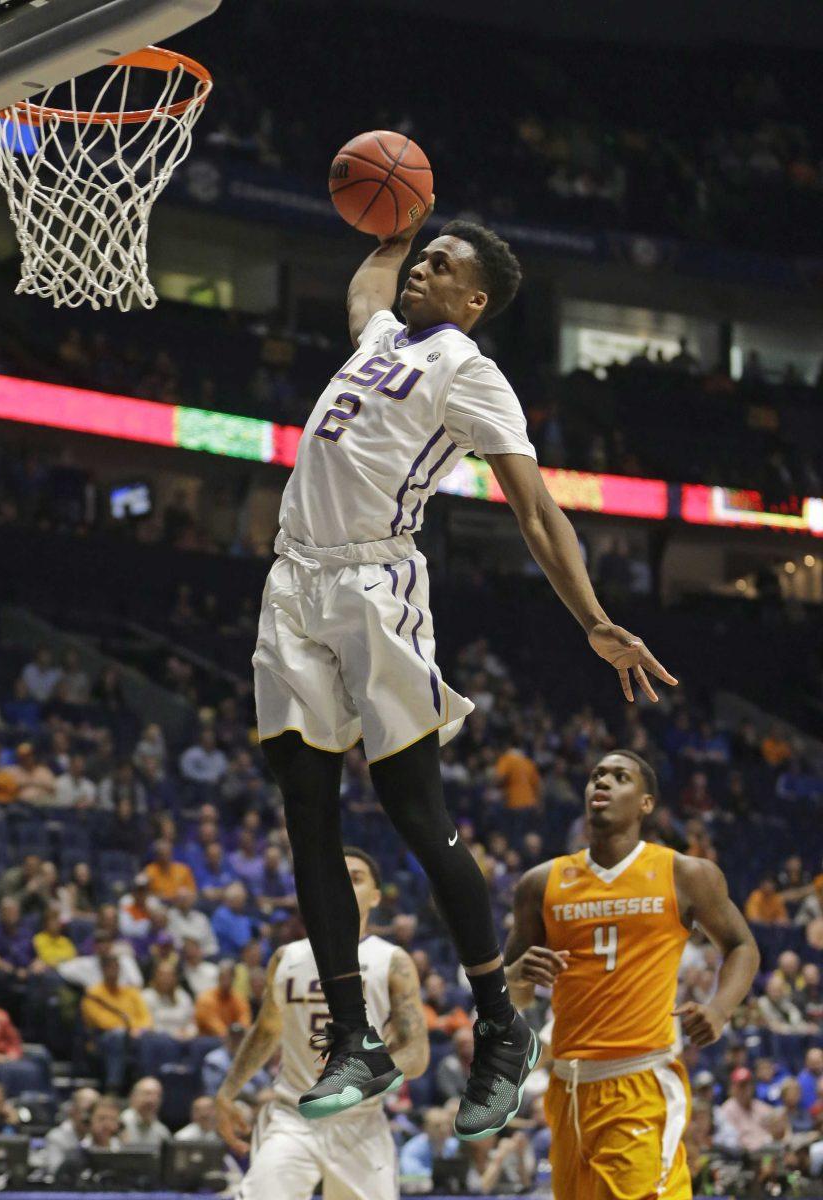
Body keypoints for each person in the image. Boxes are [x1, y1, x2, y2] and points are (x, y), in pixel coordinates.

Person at [251, 204, 677, 1135]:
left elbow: (535, 510)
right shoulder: (380, 335)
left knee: (411, 807)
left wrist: (596, 620)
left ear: (474, 300)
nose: (421, 270)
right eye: (425, 258)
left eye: (440, 264)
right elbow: (367, 285)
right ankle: (354, 1041)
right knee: (306, 813)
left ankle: (497, 1025)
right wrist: (396, 223)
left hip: (376, 583)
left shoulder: (471, 372)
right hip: (292, 581)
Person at [504, 750, 760, 1200]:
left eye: (619, 777)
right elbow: (512, 995)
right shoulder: (540, 883)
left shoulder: (685, 873)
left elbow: (742, 946)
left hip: (639, 1079)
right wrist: (518, 976)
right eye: (596, 775)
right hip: (567, 1088)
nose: (601, 783)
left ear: (646, 804)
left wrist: (720, 1010)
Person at [215, 849, 429, 1199]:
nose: (344, 884)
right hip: (293, 1118)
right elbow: (267, 1029)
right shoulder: (287, 957)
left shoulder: (391, 961)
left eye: (356, 878)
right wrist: (227, 1092)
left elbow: (417, 1054)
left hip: (361, 1122)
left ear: (376, 896)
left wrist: (362, 1080)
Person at [81, 954, 152, 1092]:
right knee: (117, 1035)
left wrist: (138, 1030)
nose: (113, 971)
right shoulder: (93, 993)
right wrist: (129, 1028)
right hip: (101, 1038)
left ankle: (145, 1084)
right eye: (110, 968)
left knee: (151, 1039)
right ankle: (113, 1086)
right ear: (103, 970)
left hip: (133, 1035)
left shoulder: (130, 992)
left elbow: (146, 1018)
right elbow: (102, 1021)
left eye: (116, 968)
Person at [44, 1086, 101, 1174]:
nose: (88, 1117)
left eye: (93, 1112)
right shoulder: (56, 1137)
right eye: (86, 1111)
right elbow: (55, 1171)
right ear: (72, 1111)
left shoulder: (103, 1135)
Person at [142, 960, 197, 1040]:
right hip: (158, 1039)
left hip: (184, 1038)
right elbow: (148, 1025)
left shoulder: (182, 996)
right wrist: (172, 1034)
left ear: (176, 978)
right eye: (162, 975)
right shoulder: (146, 996)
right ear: (155, 977)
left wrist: (189, 1033)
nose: (166, 979)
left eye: (170, 975)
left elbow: (192, 1023)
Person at [195, 959, 251, 1036]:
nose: (226, 980)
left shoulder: (238, 998)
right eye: (223, 976)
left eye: (229, 976)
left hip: (234, 1037)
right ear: (218, 978)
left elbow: (245, 1019)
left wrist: (240, 1033)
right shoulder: (206, 998)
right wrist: (230, 1036)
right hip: (210, 1037)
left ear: (234, 978)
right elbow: (213, 1024)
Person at [120, 1077, 171, 1151]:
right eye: (147, 1094)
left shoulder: (162, 1132)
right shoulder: (119, 1123)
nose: (151, 1100)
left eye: (157, 1095)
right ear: (133, 1097)